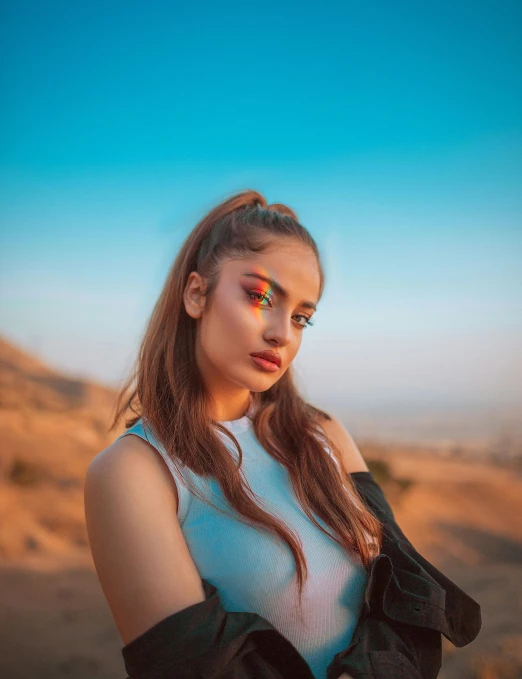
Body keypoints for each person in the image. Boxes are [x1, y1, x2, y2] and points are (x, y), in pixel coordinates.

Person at [83, 189, 481, 679]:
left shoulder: (325, 435)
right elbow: (192, 667)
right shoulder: (134, 472)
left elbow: (407, 593)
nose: (283, 333)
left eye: (301, 317)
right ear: (195, 294)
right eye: (260, 297)